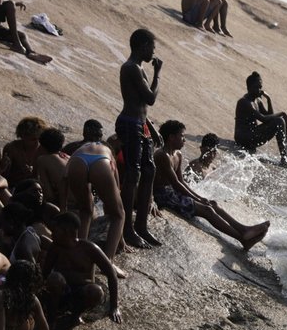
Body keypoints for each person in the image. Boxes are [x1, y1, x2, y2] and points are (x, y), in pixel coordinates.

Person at [154, 121, 269, 250]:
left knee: (212, 203)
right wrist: (198, 199)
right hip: (162, 195)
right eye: (182, 136)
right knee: (207, 210)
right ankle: (242, 239)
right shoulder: (162, 155)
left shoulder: (177, 154)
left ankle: (243, 229)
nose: (184, 140)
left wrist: (200, 198)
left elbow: (181, 181)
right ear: (171, 137)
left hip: (172, 192)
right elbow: (176, 183)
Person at [117, 28, 163, 249]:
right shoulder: (131, 68)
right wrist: (158, 74)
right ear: (143, 45)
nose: (153, 53)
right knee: (133, 173)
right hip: (130, 124)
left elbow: (143, 108)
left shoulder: (138, 68)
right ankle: (127, 229)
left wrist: (152, 130)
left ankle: (141, 226)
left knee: (149, 170)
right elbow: (150, 98)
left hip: (140, 124)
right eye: (152, 48)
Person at [42, 212, 121, 325]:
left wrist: (114, 307)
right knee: (55, 278)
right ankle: (51, 321)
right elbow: (45, 273)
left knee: (96, 291)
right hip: (61, 292)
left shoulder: (89, 249)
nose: (52, 234)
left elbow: (111, 273)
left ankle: (75, 316)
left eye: (55, 230)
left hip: (81, 293)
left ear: (67, 232)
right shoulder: (55, 249)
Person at [67, 133, 124, 264]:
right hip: (101, 163)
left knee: (86, 211)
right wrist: (120, 239)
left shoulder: (82, 148)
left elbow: (64, 178)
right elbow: (117, 192)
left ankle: (78, 252)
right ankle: (108, 261)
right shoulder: (109, 154)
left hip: (77, 161)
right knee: (119, 215)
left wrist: (63, 207)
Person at [234, 72, 287, 168]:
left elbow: (269, 116)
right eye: (256, 87)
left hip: (252, 135)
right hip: (243, 138)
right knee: (280, 121)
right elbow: (263, 119)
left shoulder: (257, 100)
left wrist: (269, 100)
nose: (259, 90)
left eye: (260, 87)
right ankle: (284, 159)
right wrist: (282, 113)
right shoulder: (245, 102)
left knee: (281, 121)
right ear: (249, 88)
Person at [0, 117, 48, 187]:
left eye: (39, 139)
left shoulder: (43, 150)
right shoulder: (12, 148)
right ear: (22, 136)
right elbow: (4, 176)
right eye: (33, 139)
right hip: (14, 187)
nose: (37, 143)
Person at [36, 128, 68, 210]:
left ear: (42, 146)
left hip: (68, 208)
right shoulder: (68, 157)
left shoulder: (43, 160)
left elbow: (49, 195)